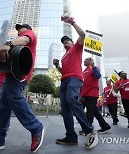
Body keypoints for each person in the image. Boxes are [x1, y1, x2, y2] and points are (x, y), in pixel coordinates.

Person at [0, 24, 44, 153]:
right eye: (17, 30)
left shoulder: (29, 34)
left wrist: (8, 43)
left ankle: (36, 127)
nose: (18, 32)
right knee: (4, 107)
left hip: (19, 74)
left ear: (27, 29)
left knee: (15, 98)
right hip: (10, 74)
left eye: (20, 29)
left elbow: (25, 40)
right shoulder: (18, 40)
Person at [53, 15, 98, 149]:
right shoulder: (63, 56)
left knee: (71, 100)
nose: (65, 41)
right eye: (63, 41)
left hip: (75, 79)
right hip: (65, 81)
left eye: (67, 40)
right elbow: (64, 72)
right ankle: (71, 137)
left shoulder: (76, 48)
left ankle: (89, 130)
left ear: (73, 42)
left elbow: (83, 34)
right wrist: (57, 66)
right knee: (65, 108)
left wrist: (72, 22)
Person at [80, 57, 111, 135]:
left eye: (86, 59)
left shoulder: (94, 68)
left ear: (91, 61)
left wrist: (93, 66)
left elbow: (97, 76)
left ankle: (87, 129)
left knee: (90, 112)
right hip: (85, 94)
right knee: (95, 111)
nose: (84, 60)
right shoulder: (84, 71)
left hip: (92, 94)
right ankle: (105, 126)